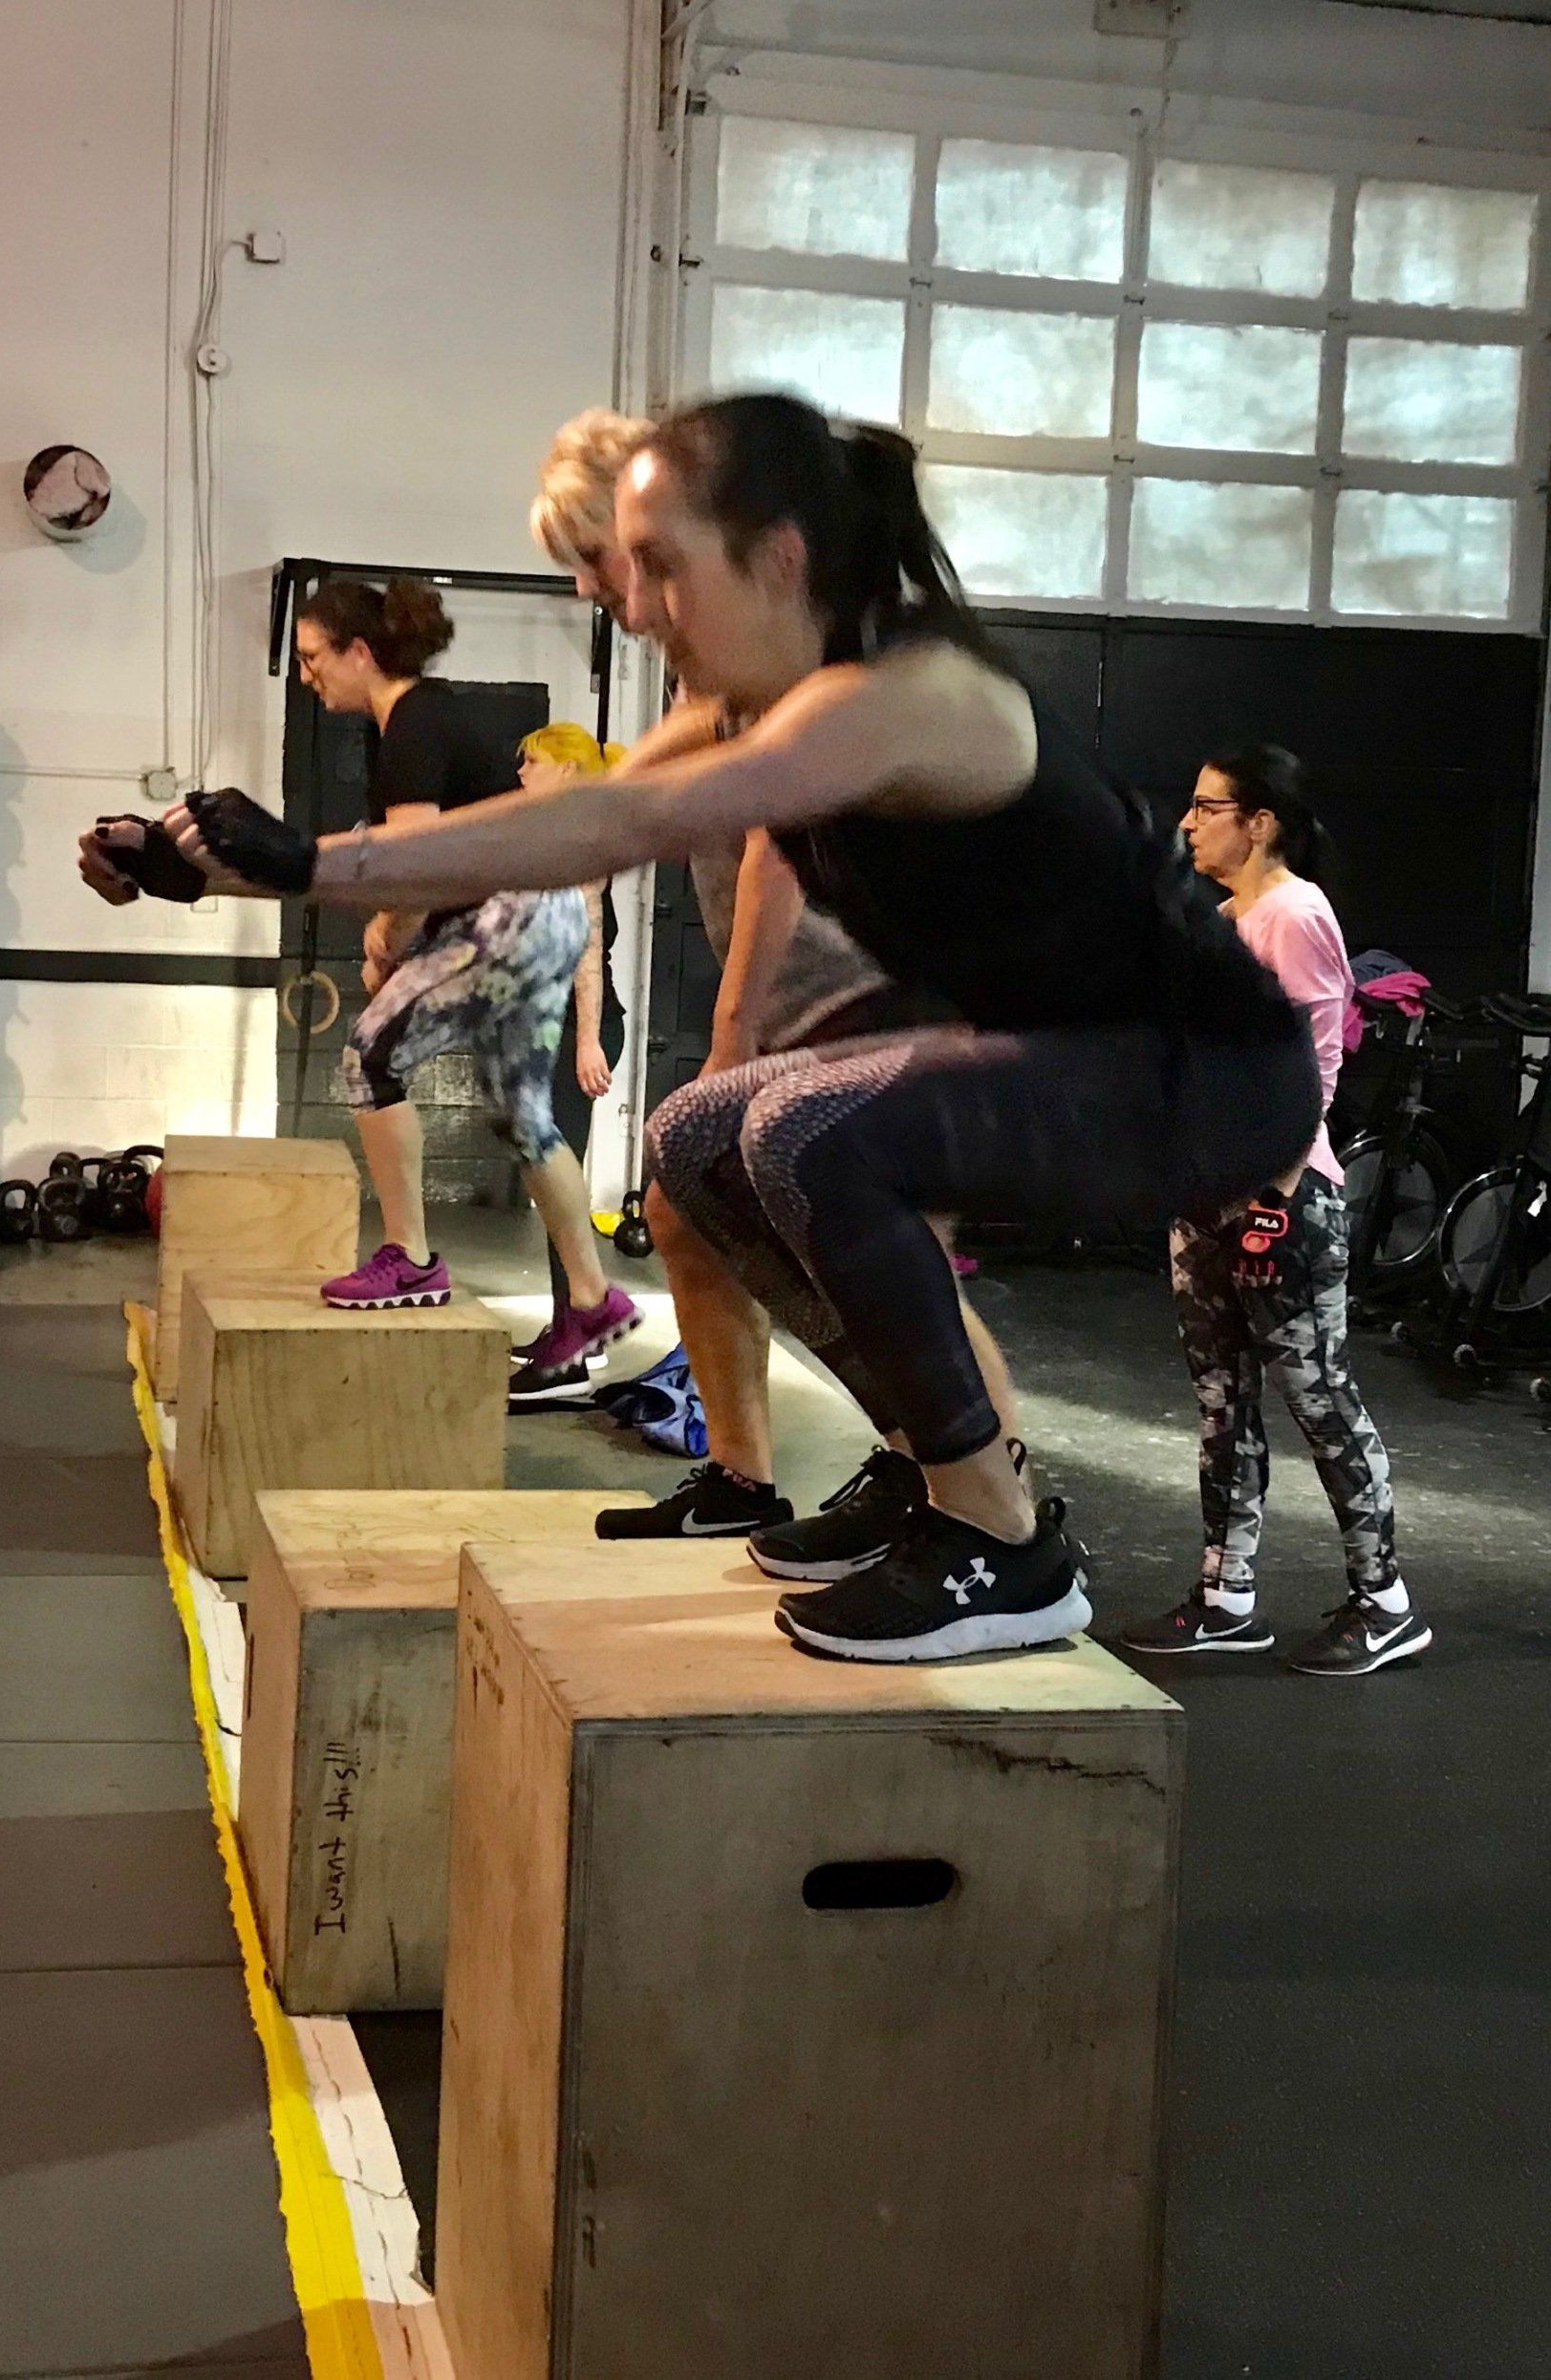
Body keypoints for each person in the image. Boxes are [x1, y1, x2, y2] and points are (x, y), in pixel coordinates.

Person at [154, 392, 1320, 1665]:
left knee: (820, 1137)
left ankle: (1009, 1543)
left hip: (1208, 1073)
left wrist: (310, 861)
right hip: (1081, 1050)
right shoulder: (766, 693)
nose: (636, 605)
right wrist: (238, 864)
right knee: (700, 1139)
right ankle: (929, 1468)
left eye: (661, 566)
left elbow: (623, 828)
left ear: (779, 558)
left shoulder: (895, 694)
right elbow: (584, 808)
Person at [530, 406, 1022, 1546]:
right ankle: (747, 1476)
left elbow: (772, 847)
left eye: (599, 560)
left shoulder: (790, 657)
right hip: (824, 996)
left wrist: (734, 1030)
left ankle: (990, 1498)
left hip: (873, 995)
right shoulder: (703, 670)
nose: (590, 592)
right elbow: (610, 811)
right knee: (684, 1210)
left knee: (884, 1246)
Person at [82, 576, 638, 1366]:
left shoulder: (412, 723)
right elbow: (348, 868)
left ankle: (410, 1258)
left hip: (506, 915)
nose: (307, 676)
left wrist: (385, 942)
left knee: (370, 1056)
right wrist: (183, 870)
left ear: (361, 652)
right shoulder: (418, 723)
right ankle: (592, 1296)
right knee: (525, 1116)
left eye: (314, 658)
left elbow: (408, 872)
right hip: (543, 916)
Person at [1120, 747, 1429, 1678]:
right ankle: (1227, 1596)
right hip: (1207, 1198)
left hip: (1282, 1201)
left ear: (1260, 823)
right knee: (1223, 1405)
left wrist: (1273, 1199)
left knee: (1322, 1400)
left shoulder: (1295, 912)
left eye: (1208, 806)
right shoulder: (1224, 918)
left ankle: (1386, 1604)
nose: (1188, 821)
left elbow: (1314, 1061)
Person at [506, 722, 628, 1408]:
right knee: (546, 1176)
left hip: (572, 1026)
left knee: (557, 1178)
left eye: (532, 759)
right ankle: (569, 1325)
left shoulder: (581, 840)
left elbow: (588, 942)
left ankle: (575, 1348)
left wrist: (587, 1040)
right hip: (545, 1023)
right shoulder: (554, 833)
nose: (520, 768)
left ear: (566, 769)